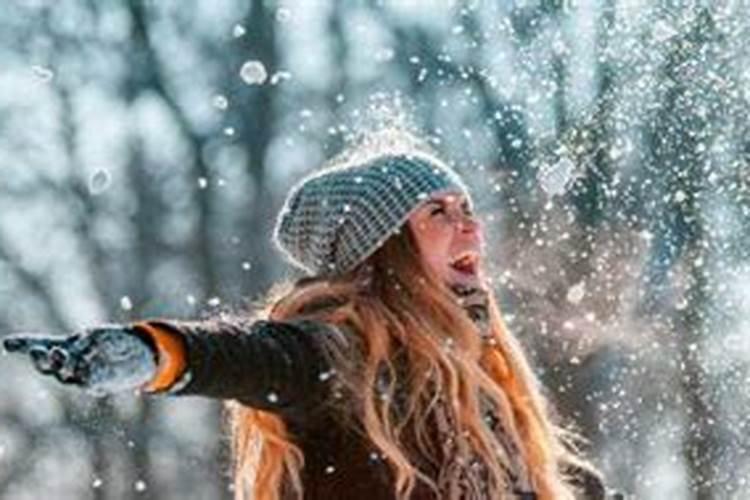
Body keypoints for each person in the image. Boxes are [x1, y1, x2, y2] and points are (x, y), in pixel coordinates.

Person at [3, 137, 616, 500]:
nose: (470, 226)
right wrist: (154, 352)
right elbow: (250, 355)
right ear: (385, 248)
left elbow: (542, 481)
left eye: (466, 207)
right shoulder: (342, 357)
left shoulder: (477, 388)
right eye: (437, 212)